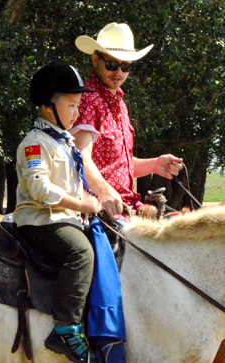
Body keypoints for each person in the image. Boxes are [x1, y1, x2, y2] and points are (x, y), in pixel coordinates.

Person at [14, 62, 100, 363]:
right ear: (49, 106)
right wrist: (82, 206)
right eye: (71, 104)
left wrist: (90, 200)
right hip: (40, 221)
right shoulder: (35, 144)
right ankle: (65, 328)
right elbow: (40, 190)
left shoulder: (61, 142)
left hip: (63, 218)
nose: (77, 112)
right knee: (81, 253)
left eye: (78, 105)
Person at [71, 22, 184, 219]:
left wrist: (155, 165)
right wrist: (105, 192)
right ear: (95, 59)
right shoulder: (88, 100)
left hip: (126, 207)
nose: (119, 72)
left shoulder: (120, 105)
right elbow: (81, 157)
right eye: (112, 64)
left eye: (126, 66)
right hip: (99, 209)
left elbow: (117, 165)